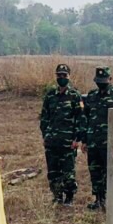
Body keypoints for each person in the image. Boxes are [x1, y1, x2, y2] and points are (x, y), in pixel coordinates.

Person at [79, 66, 113, 210]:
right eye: (98, 81)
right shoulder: (92, 95)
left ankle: (111, 200)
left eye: (104, 80)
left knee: (110, 173)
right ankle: (99, 199)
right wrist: (85, 140)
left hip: (110, 143)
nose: (101, 83)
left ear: (110, 79)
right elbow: (85, 118)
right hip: (93, 141)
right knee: (95, 171)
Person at [39, 63, 84, 205]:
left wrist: (77, 139)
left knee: (68, 173)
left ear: (69, 77)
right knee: (53, 172)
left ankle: (69, 197)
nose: (61, 78)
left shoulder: (75, 96)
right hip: (52, 141)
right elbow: (44, 118)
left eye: (64, 75)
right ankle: (57, 196)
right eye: (59, 75)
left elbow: (80, 119)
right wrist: (45, 135)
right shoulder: (50, 95)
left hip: (68, 142)